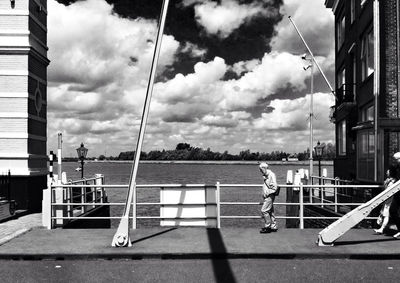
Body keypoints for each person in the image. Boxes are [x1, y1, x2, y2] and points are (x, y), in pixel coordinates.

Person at [259, 162, 278, 233]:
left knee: (264, 210)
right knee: (270, 211)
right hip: (269, 196)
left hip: (269, 196)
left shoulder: (271, 175)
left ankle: (268, 226)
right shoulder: (267, 175)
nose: (260, 171)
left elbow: (274, 186)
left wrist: (267, 193)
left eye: (260, 169)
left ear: (264, 168)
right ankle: (274, 226)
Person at [374, 170, 395, 234]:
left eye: (388, 172)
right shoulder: (388, 180)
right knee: (383, 213)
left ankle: (382, 228)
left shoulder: (393, 181)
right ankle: (381, 227)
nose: (386, 173)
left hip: (390, 200)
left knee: (386, 215)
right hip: (387, 199)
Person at [390, 152, 400, 239]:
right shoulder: (396, 167)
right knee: (392, 210)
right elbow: (395, 177)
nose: (395, 161)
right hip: (398, 193)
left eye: (396, 159)